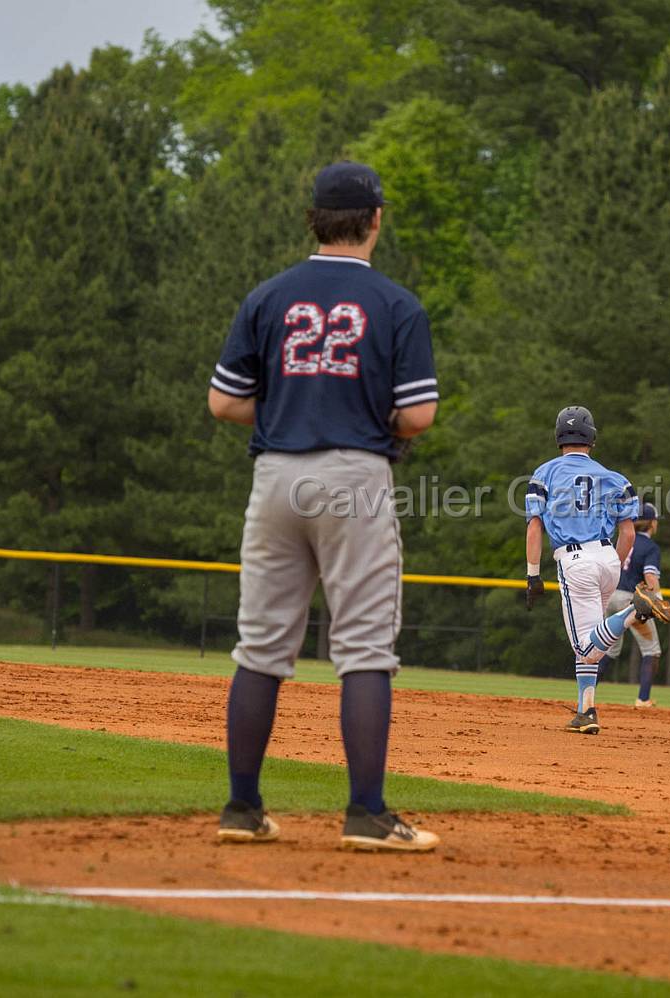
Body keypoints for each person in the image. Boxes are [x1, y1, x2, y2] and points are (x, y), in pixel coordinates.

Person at [207, 161, 440, 852]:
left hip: (276, 475)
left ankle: (241, 808)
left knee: (261, 646)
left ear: (314, 218)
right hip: (353, 474)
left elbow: (223, 402)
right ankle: (366, 814)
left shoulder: (269, 296)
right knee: (365, 647)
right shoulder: (397, 305)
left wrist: (287, 409)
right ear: (374, 220)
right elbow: (418, 416)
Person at [523, 406, 670, 734]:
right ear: (592, 438)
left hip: (574, 560)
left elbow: (534, 527)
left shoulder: (544, 474)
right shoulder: (616, 478)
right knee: (592, 636)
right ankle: (586, 711)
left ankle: (636, 611)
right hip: (608, 557)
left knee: (585, 648)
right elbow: (629, 533)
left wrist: (533, 574)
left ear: (558, 437)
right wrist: (614, 568)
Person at [606, 502, 665, 707]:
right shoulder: (650, 547)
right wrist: (658, 600)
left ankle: (587, 692)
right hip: (631, 601)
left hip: (609, 597)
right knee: (651, 650)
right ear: (651, 523)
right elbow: (650, 576)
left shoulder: (621, 540)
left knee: (609, 650)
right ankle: (643, 699)